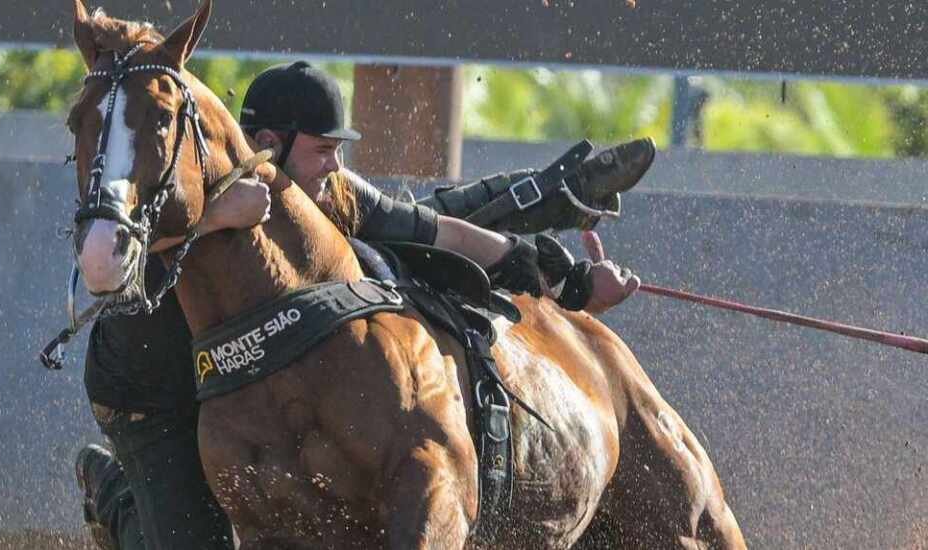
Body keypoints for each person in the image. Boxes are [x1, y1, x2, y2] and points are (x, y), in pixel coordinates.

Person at [76, 60, 648, 549]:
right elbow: (114, 255)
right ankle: (117, 497)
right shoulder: (197, 185)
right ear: (271, 148)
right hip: (151, 394)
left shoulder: (327, 192)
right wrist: (217, 218)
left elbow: (431, 225)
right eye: (324, 150)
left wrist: (566, 278)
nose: (335, 166)